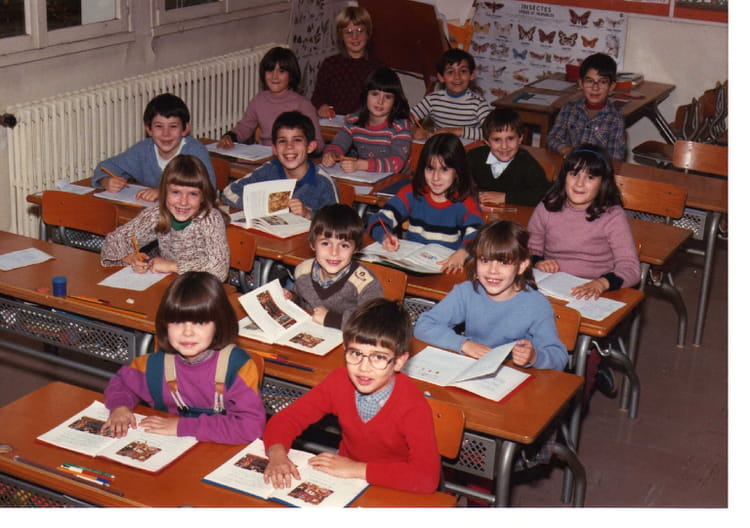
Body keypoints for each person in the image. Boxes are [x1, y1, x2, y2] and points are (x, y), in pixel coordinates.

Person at [262, 298, 440, 494]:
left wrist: (356, 469)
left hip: (394, 487)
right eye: (355, 353)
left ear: (399, 361)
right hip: (345, 480)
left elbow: (426, 478)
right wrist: (277, 453)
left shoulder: (413, 406)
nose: (364, 368)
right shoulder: (339, 382)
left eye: (379, 357)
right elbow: (287, 419)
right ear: (345, 350)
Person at [528, 145, 640, 397]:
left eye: (590, 177)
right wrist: (538, 261)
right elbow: (531, 247)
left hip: (594, 294)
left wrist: (602, 283)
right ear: (564, 176)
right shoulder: (548, 206)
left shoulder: (612, 216)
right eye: (574, 174)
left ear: (603, 182)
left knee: (580, 355)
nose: (580, 183)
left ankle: (579, 391)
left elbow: (631, 267)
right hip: (553, 289)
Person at [102, 271, 266, 444]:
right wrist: (120, 407)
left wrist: (182, 427)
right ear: (165, 324)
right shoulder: (156, 365)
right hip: (171, 446)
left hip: (222, 448)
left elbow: (250, 428)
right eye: (177, 322)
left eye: (200, 322)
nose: (187, 332)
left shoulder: (238, 366)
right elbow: (121, 383)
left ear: (219, 324)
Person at [414, 220, 567, 370]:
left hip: (511, 375)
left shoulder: (536, 305)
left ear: (521, 266)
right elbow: (424, 325)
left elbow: (558, 357)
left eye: (504, 263)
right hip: (472, 368)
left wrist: (534, 357)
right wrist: (464, 344)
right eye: (485, 260)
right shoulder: (467, 292)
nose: (492, 271)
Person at [101, 154, 230, 281]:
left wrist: (172, 266)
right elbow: (114, 240)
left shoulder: (210, 219)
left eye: (193, 194)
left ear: (202, 196)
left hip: (201, 286)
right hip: (169, 282)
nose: (183, 202)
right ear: (164, 192)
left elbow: (219, 270)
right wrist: (130, 258)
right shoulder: (157, 214)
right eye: (175, 192)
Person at [367, 133, 483, 273]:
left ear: (457, 171)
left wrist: (463, 252)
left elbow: (478, 236)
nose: (435, 178)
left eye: (444, 169)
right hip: (411, 267)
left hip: (446, 269)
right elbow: (377, 219)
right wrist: (385, 236)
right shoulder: (412, 193)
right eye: (430, 169)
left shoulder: (465, 202)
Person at [91, 93, 216, 202]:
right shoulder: (143, 150)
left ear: (185, 129)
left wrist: (163, 192)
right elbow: (105, 167)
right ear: (148, 129)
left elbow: (208, 190)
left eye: (173, 126)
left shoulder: (195, 152)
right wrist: (106, 181)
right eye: (159, 126)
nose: (166, 134)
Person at [221, 111, 338, 217]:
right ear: (275, 149)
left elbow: (335, 224)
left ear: (310, 147)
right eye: (282, 141)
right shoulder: (269, 170)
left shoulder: (323, 182)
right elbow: (229, 192)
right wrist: (264, 205)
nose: (289, 147)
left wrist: (308, 214)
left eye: (297, 140)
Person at [292, 204, 383, 330]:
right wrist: (291, 298)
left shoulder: (364, 282)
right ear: (312, 244)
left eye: (344, 245)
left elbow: (374, 320)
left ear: (356, 248)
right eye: (325, 243)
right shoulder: (303, 270)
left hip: (349, 338)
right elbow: (301, 300)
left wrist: (330, 319)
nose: (334, 252)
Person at [216, 47, 324, 152]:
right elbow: (245, 127)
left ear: (291, 76)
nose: (274, 76)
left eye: (281, 71)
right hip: (265, 156)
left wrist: (301, 150)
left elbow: (318, 143)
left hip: (291, 156)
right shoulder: (259, 100)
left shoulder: (303, 105)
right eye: (270, 70)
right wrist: (230, 137)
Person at [321, 66, 412, 174]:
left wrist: (360, 165)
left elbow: (396, 164)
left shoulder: (401, 127)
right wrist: (331, 155)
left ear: (395, 101)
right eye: (375, 94)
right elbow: (338, 145)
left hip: (396, 180)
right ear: (365, 95)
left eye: (387, 97)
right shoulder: (354, 121)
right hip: (365, 177)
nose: (380, 101)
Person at [546, 52, 626, 161]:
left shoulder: (615, 119)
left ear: (611, 87)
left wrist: (591, 160)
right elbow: (552, 138)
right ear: (580, 84)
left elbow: (615, 157)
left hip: (597, 169)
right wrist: (565, 150)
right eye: (590, 81)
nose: (595, 88)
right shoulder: (568, 109)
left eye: (602, 82)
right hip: (570, 167)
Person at [467, 108, 551, 206]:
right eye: (497, 140)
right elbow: (459, 181)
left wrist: (506, 197)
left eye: (510, 138)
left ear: (520, 138)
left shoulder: (526, 163)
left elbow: (544, 193)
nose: (504, 146)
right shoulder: (474, 156)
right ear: (487, 142)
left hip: (516, 212)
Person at [311, 5, 382, 118]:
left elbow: (387, 102)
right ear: (341, 36)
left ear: (368, 33)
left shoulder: (378, 67)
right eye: (348, 32)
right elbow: (318, 96)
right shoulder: (330, 64)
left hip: (365, 123)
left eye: (360, 31)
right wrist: (321, 106)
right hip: (335, 122)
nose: (355, 37)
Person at [410, 48, 493, 142]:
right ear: (441, 77)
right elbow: (405, 119)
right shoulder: (432, 100)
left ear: (472, 75)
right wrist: (413, 130)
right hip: (441, 148)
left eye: (463, 71)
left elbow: (492, 132)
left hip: (468, 149)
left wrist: (456, 131)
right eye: (450, 72)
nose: (457, 77)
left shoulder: (478, 103)